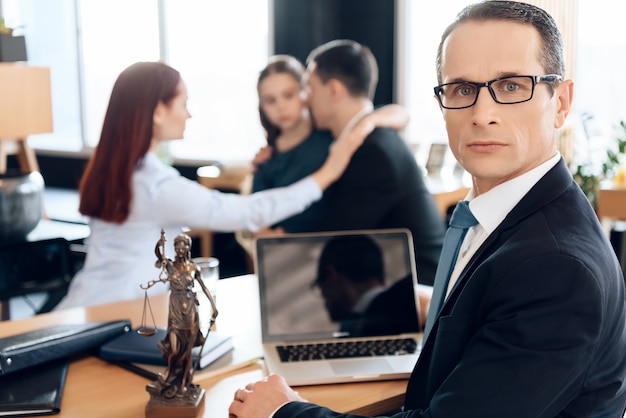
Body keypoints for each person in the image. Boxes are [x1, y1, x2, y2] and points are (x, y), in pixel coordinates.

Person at [228, 2, 626, 417]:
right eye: (462, 89)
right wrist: (442, 305)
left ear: (561, 102)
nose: (482, 115)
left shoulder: (556, 268)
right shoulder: (505, 216)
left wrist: (284, 412)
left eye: (511, 86)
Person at [53, 61, 370, 311]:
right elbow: (245, 212)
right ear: (158, 112)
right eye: (183, 103)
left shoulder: (119, 170)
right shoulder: (155, 187)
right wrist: (326, 174)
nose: (189, 114)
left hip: (86, 305)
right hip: (119, 315)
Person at [303, 39, 445, 287]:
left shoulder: (373, 151)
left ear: (334, 90)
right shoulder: (369, 135)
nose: (306, 99)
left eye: (311, 88)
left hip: (417, 296)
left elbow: (332, 239)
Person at [252, 54, 411, 234]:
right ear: (262, 107)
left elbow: (401, 114)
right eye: (270, 100)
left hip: (329, 244)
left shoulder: (332, 135)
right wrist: (267, 238)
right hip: (285, 251)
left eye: (288, 95)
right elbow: (254, 218)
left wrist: (368, 122)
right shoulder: (266, 160)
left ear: (306, 93)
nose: (281, 106)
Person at [142, 231, 217, 401]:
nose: (180, 250)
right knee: (175, 349)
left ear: (188, 248)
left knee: (188, 348)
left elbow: (204, 287)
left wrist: (213, 306)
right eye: (177, 246)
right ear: (174, 248)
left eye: (184, 246)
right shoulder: (169, 265)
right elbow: (158, 254)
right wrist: (159, 243)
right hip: (175, 308)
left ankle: (184, 381)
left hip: (190, 309)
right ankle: (169, 376)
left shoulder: (193, 267)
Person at [313, 234, 421, 336]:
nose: (323, 297)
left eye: (320, 286)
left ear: (331, 275)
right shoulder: (408, 296)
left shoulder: (410, 297)